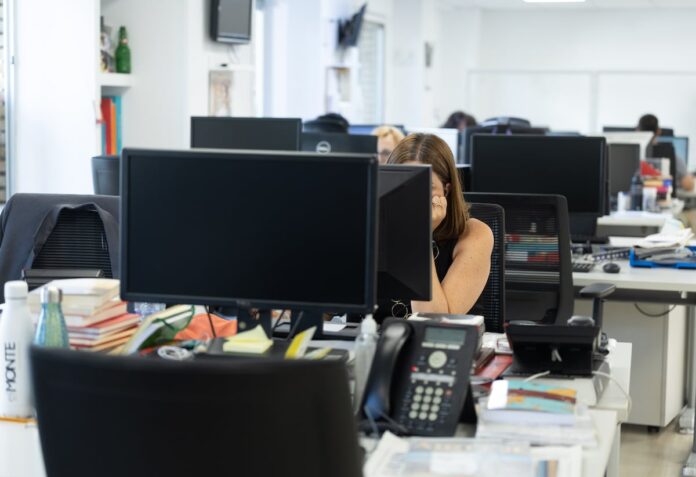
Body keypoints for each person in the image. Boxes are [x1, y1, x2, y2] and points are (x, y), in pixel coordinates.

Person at [386, 133, 493, 315]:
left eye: (425, 185)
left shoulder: (475, 234)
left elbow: (432, 319)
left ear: (446, 189)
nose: (411, 195)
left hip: (431, 333)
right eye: (402, 183)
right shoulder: (374, 227)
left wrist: (420, 234)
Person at [637, 114, 695, 192]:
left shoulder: (630, 156)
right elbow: (688, 185)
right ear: (658, 131)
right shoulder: (671, 154)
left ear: (637, 130)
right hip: (663, 197)